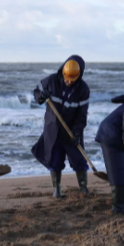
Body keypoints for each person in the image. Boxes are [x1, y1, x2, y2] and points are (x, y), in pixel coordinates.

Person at [32, 55, 91, 198]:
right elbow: (36, 93)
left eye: (72, 79)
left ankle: (83, 189)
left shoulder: (83, 90)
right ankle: (56, 190)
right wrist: (41, 95)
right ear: (63, 72)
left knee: (79, 159)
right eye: (67, 78)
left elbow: (82, 116)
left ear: (79, 75)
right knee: (55, 159)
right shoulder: (52, 81)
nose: (69, 81)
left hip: (71, 130)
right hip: (54, 128)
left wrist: (77, 132)